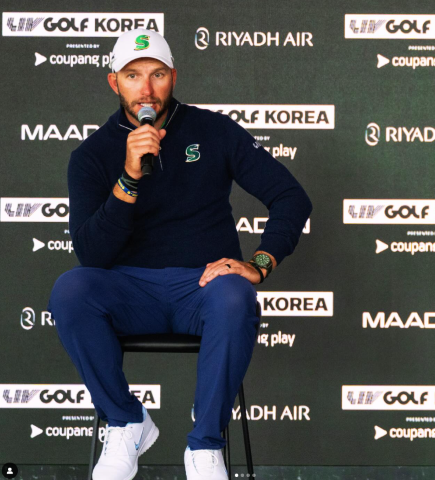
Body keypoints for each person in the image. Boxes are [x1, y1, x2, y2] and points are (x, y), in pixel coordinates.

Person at [48, 28, 312, 480]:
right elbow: (91, 254)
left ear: (173, 76)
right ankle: (126, 422)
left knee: (235, 295)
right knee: (71, 290)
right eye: (133, 76)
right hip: (131, 289)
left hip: (203, 287)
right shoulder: (91, 155)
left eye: (157, 74)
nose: (146, 89)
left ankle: (205, 446)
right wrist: (129, 178)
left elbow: (291, 197)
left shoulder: (214, 130)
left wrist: (260, 263)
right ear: (114, 82)